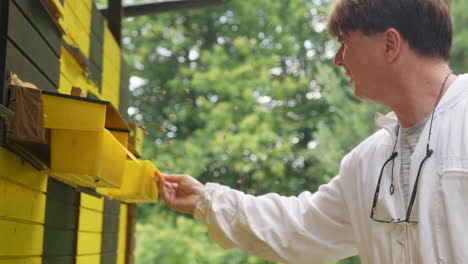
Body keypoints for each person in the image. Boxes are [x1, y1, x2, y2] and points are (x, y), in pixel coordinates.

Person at [155, 0, 468, 263]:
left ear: (390, 44)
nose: (337, 60)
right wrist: (206, 200)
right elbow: (299, 227)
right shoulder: (365, 163)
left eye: (345, 43)